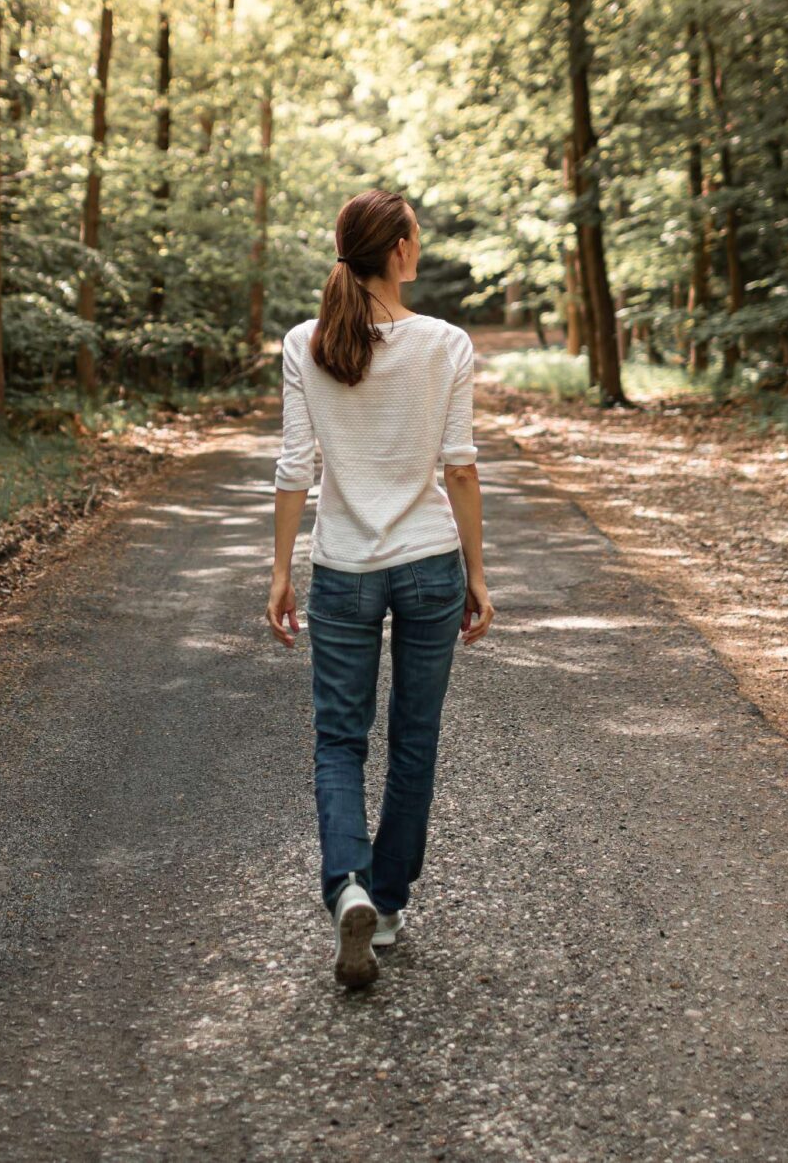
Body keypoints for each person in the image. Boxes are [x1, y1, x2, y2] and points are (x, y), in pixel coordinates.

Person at [266, 187, 495, 990]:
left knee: (339, 739)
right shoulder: (445, 343)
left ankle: (348, 885)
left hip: (343, 571)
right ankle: (388, 906)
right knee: (414, 738)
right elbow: (459, 467)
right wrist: (476, 571)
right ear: (397, 250)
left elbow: (297, 467)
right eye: (417, 236)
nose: (420, 246)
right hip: (430, 563)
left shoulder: (305, 342)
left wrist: (280, 571)